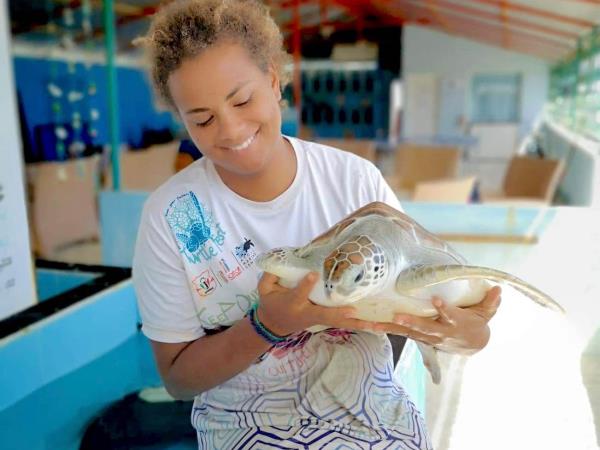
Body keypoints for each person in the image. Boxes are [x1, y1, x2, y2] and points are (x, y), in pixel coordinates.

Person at [132, 1, 502, 448]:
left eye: (242, 100)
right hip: (246, 428)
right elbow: (178, 379)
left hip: (373, 422)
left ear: (273, 81)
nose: (229, 130)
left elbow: (458, 332)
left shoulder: (355, 182)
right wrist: (266, 326)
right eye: (203, 119)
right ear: (181, 119)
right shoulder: (169, 217)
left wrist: (464, 332)